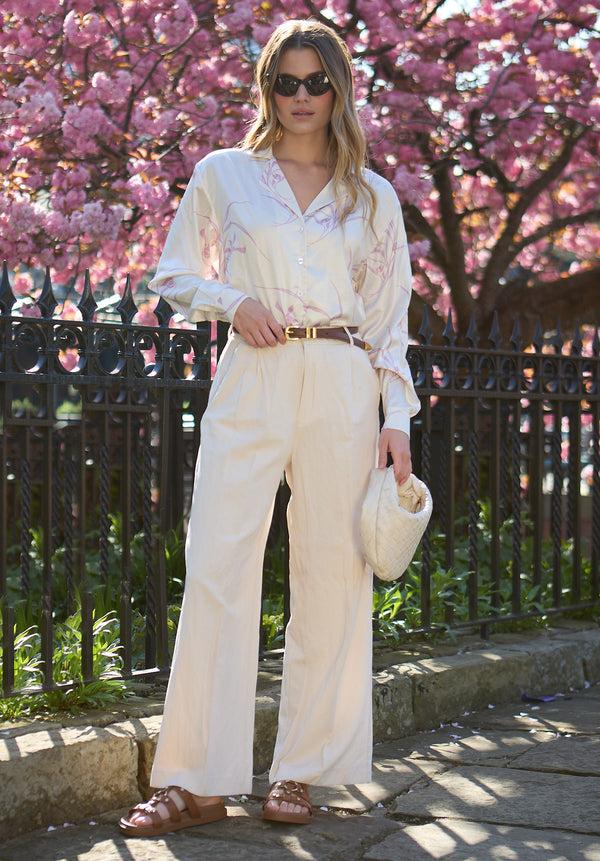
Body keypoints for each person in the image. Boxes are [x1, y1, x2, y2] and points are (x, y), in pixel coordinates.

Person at [118, 17, 421, 837]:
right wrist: (231, 301)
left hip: (340, 374)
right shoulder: (225, 174)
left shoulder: (371, 194)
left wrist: (397, 417)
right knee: (218, 562)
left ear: (339, 88)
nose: (299, 97)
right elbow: (174, 270)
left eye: (314, 81)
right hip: (252, 371)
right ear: (265, 87)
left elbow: (390, 322)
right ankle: (194, 779)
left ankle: (298, 772)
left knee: (331, 572)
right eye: (284, 81)